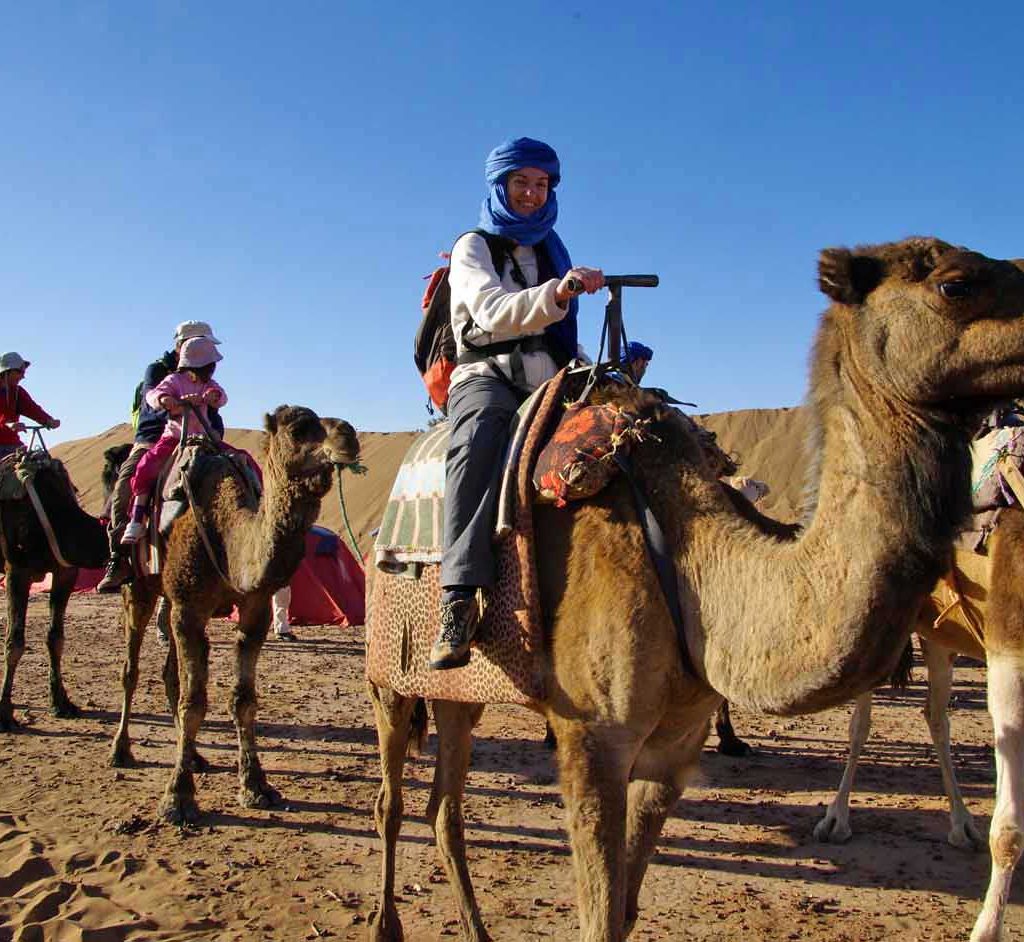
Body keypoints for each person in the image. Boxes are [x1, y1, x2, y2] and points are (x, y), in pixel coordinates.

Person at [429, 137, 604, 670]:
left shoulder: (554, 249)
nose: (531, 194)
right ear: (500, 185)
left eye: (541, 183)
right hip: (486, 376)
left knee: (623, 432)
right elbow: (490, 310)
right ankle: (457, 596)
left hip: (550, 378)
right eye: (521, 183)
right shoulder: (473, 247)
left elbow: (556, 337)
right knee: (480, 436)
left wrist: (593, 366)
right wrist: (558, 293)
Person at [97, 321, 224, 592]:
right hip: (157, 437)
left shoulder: (206, 378)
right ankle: (119, 558)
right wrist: (171, 405)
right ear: (181, 345)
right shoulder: (159, 371)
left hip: (201, 437)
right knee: (125, 487)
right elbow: (151, 402)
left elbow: (216, 410)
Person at [121, 336, 227, 544]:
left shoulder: (209, 384)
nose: (212, 371)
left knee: (241, 460)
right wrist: (167, 400)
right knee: (145, 468)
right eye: (209, 366)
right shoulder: (174, 380)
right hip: (176, 438)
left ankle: (258, 502)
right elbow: (153, 395)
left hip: (204, 438)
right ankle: (137, 519)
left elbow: (221, 397)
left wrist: (213, 396)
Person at [0, 353, 60, 459]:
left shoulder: (17, 392)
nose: (22, 376)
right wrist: (6, 425)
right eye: (19, 372)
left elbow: (33, 409)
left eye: (23, 372)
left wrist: (48, 420)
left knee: (48, 466)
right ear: (6, 371)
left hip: (13, 446)